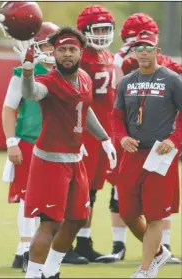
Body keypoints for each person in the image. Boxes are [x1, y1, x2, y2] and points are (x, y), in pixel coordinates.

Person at [20, 26, 117, 278]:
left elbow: (85, 109)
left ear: (81, 52)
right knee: (49, 223)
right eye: (61, 49)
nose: (66, 54)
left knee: (76, 219)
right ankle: (33, 274)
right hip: (50, 161)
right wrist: (28, 72)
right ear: (54, 53)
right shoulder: (49, 81)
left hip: (76, 159)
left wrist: (104, 138)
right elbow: (31, 93)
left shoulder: (84, 76)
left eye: (72, 49)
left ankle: (50, 271)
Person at [109, 13, 182, 263]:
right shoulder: (127, 77)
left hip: (162, 149)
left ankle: (153, 260)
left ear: (156, 48)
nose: (141, 51)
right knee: (126, 206)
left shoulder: (172, 76)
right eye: (137, 46)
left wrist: (175, 138)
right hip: (131, 148)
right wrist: (120, 137)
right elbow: (116, 114)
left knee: (156, 210)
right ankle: (146, 250)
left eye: (147, 47)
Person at [2, 22, 62, 272]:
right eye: (45, 43)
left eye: (53, 43)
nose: (49, 49)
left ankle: (32, 251)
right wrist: (11, 141)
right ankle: (26, 249)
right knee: (28, 198)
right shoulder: (23, 73)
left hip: (59, 145)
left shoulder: (68, 71)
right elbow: (8, 108)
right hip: (29, 140)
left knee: (53, 201)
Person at [73, 5, 123, 263]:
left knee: (91, 191)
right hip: (83, 132)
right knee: (74, 190)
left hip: (104, 134)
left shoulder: (109, 55)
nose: (103, 34)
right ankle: (62, 243)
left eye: (106, 29)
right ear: (84, 31)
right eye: (98, 29)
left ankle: (83, 241)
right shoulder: (78, 56)